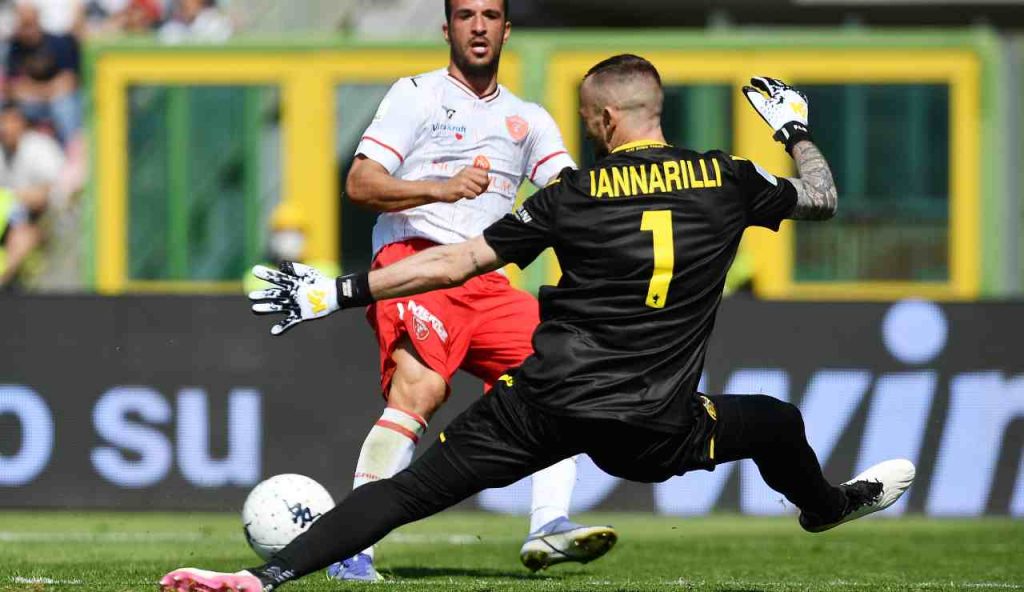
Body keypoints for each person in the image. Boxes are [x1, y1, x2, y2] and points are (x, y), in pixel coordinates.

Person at [160, 56, 916, 592]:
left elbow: (456, 263)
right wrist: (793, 129)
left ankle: (262, 577)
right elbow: (822, 198)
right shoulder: (727, 178)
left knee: (406, 493)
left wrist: (341, 290)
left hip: (544, 406)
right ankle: (828, 507)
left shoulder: (575, 195)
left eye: (588, 118)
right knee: (779, 423)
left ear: (606, 118)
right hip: (654, 425)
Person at [330, 0, 611, 580]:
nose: (478, 25)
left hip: (486, 279)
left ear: (506, 29)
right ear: (447, 29)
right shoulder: (416, 95)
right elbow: (360, 183)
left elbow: (570, 197)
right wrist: (440, 187)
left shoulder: (529, 120)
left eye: (489, 15)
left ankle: (548, 525)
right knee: (420, 389)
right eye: (465, 15)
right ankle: (352, 550)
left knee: (565, 376)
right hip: (415, 262)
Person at [0, 100, 64, 288]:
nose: (4, 128)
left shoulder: (40, 147)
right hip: (13, 223)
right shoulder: (2, 151)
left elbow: (53, 192)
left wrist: (13, 196)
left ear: (21, 122)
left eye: (8, 121)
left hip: (51, 224)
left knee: (21, 238)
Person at [4, 2, 81, 144]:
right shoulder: (15, 48)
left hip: (59, 101)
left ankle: (73, 150)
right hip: (32, 104)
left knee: (64, 107)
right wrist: (49, 90)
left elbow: (69, 82)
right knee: (9, 111)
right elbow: (14, 89)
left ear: (38, 20)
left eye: (29, 24)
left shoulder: (59, 43)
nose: (27, 30)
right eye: (23, 25)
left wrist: (35, 90)